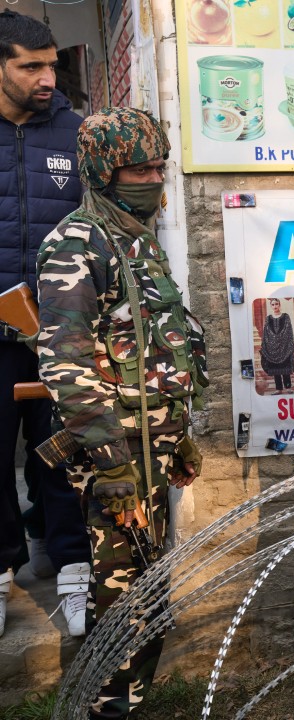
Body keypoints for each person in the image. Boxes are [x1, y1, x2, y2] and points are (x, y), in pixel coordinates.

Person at [35, 106, 207, 719]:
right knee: (121, 595)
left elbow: (155, 346)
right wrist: (110, 462)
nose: (154, 179)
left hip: (152, 448)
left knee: (149, 590)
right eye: (139, 170)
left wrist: (179, 434)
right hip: (117, 456)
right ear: (102, 173)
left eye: (159, 167)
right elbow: (66, 363)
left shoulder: (137, 239)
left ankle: (130, 702)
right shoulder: (77, 243)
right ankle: (106, 708)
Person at [0, 7, 90, 639]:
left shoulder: (75, 132)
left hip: (61, 330)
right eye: (31, 67)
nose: (48, 79)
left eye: (52, 65)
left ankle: (73, 569)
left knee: (62, 453)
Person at [260, 297, 294, 392]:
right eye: (273, 304)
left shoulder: (285, 316)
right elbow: (266, 333)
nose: (275, 306)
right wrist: (268, 345)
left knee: (285, 369)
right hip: (272, 348)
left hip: (284, 347)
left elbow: (288, 331)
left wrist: (285, 342)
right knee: (276, 370)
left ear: (279, 305)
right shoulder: (268, 318)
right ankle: (278, 389)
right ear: (271, 306)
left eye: (276, 304)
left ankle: (288, 387)